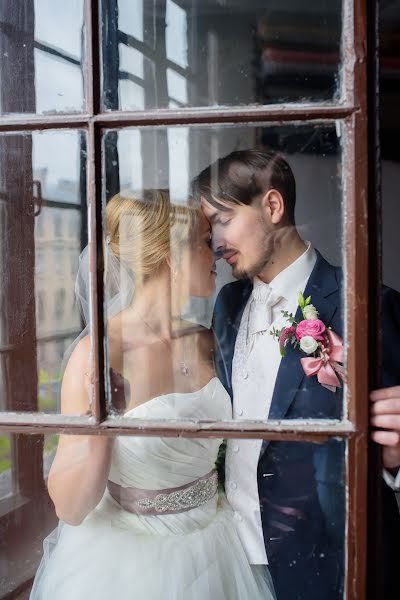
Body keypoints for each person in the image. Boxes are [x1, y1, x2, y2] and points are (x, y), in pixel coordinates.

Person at [30, 189, 275, 600]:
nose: (216, 251)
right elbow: (69, 508)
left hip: (220, 545)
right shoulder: (100, 356)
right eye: (203, 240)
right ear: (170, 255)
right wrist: (99, 431)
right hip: (131, 566)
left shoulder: (207, 341)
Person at [193, 149, 400, 600]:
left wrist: (396, 461)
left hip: (327, 563)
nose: (214, 241)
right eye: (209, 228)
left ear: (272, 206)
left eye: (223, 219)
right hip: (230, 556)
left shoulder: (367, 304)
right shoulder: (226, 305)